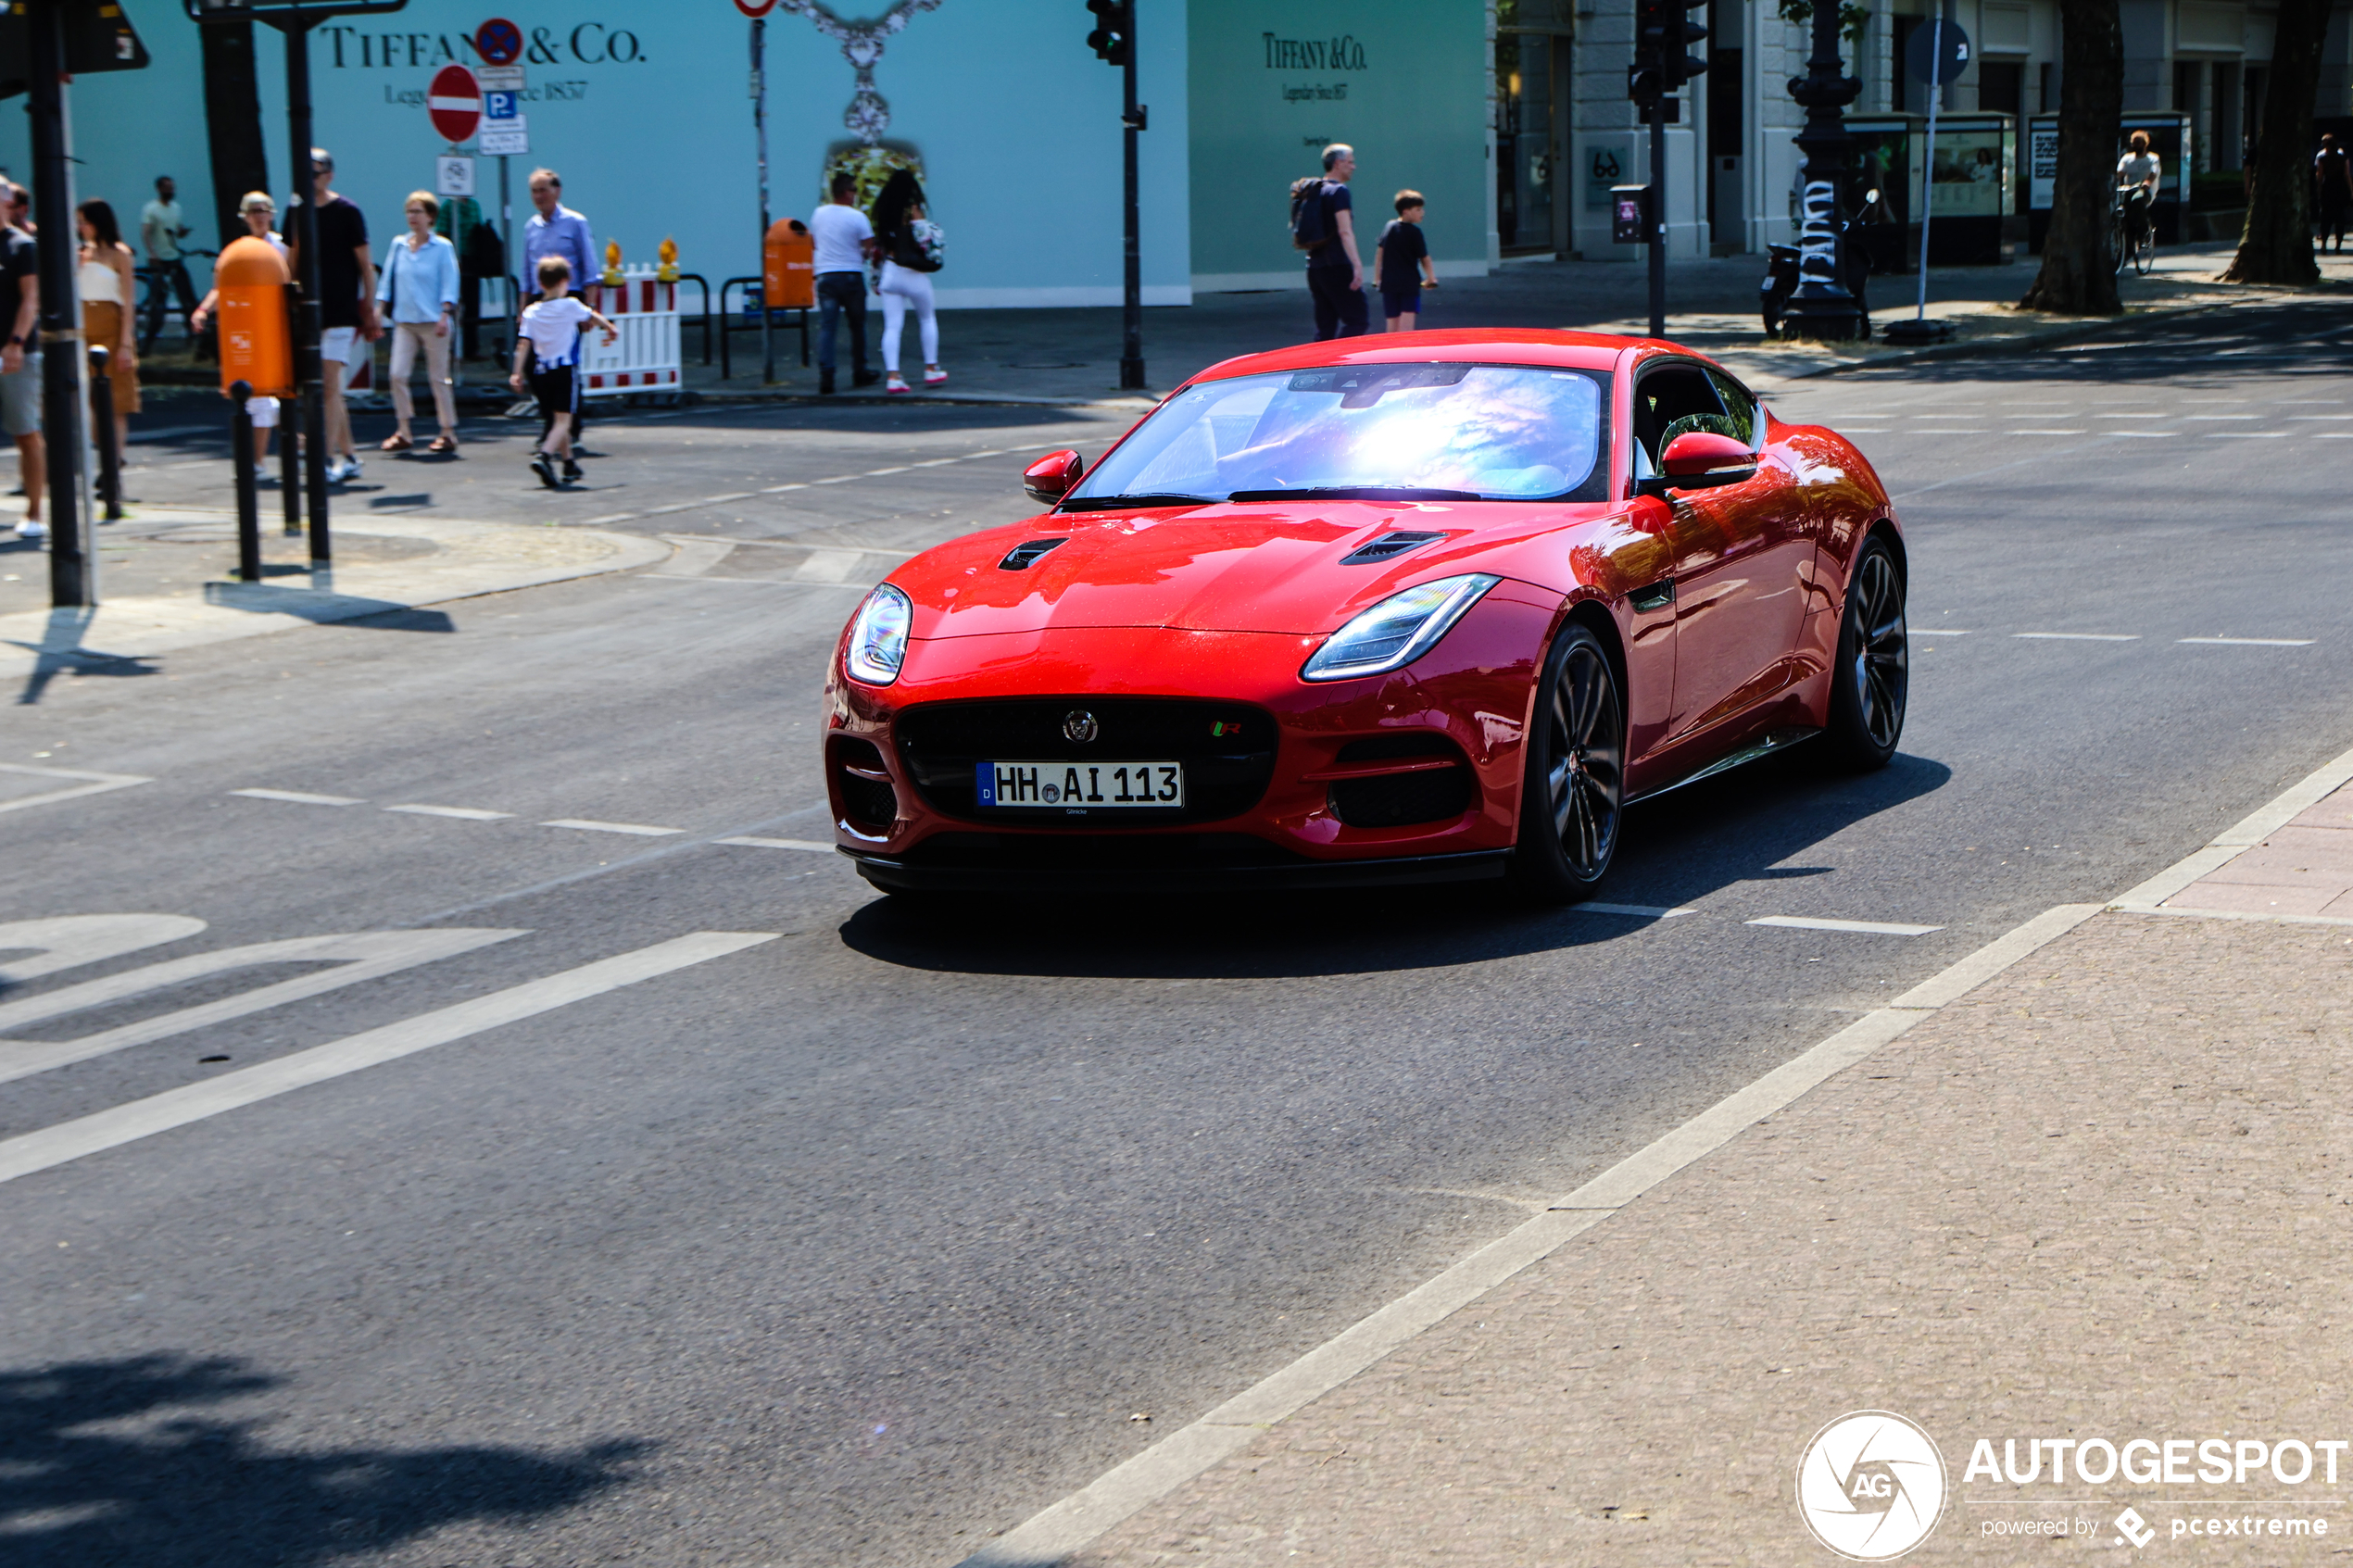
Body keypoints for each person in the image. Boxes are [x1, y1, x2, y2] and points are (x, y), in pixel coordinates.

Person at [287, 148, 378, 484]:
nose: (311, 179)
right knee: (330, 390)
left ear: (330, 175)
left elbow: (364, 266)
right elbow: (292, 258)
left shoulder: (347, 211)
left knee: (326, 386)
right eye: (305, 173)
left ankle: (323, 460)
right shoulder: (296, 210)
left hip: (340, 309)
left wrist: (368, 305)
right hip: (309, 310)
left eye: (316, 172)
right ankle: (350, 456)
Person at [190, 192, 287, 470]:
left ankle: (260, 461)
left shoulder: (282, 248)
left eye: (264, 210)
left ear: (272, 214)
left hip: (274, 332)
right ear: (244, 217)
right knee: (260, 399)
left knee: (269, 397)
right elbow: (222, 289)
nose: (259, 215)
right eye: (253, 211)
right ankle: (260, 461)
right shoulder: (236, 252)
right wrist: (202, 310)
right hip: (246, 332)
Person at [509, 255, 616, 490]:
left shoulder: (531, 312)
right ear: (564, 281)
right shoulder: (570, 305)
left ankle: (569, 463)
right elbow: (592, 315)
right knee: (564, 420)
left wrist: (516, 373)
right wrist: (609, 327)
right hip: (564, 369)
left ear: (541, 283)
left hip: (540, 371)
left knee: (557, 418)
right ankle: (544, 456)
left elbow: (523, 344)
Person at [376, 190, 461, 455]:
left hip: (434, 321)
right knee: (397, 374)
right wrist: (379, 310)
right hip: (405, 321)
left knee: (438, 378)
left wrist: (445, 314)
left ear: (430, 217)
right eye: (409, 212)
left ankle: (447, 431)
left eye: (418, 212)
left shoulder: (442, 247)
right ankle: (404, 430)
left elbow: (450, 282)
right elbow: (387, 279)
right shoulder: (399, 245)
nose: (412, 217)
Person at [522, 169, 596, 446]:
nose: (539, 196)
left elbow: (589, 267)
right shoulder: (531, 227)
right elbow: (526, 273)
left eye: (544, 190)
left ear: (557, 191)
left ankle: (569, 427)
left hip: (569, 298)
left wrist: (589, 306)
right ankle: (552, 421)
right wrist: (522, 309)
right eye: (534, 191)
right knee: (534, 366)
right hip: (539, 301)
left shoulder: (575, 223)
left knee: (565, 367)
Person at [870, 169, 945, 394]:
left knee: (892, 326)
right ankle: (931, 368)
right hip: (913, 273)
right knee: (926, 318)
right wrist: (923, 222)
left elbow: (877, 249)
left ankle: (893, 376)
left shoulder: (883, 211)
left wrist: (875, 279)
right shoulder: (912, 208)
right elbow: (925, 238)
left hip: (890, 272)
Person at [76, 199, 139, 461]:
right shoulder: (81, 254)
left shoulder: (119, 254)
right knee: (88, 400)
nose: (80, 228)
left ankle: (115, 459)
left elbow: (127, 300)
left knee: (115, 402)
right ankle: (106, 454)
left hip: (112, 329)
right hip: (83, 329)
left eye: (84, 222)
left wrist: (125, 344)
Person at [810, 172, 879, 395]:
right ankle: (860, 371)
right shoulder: (858, 217)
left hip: (826, 277)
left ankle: (826, 376)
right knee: (857, 326)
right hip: (851, 275)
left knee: (828, 326)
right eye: (854, 191)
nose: (856, 195)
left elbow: (814, 242)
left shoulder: (818, 214)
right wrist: (861, 253)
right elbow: (868, 249)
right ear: (847, 192)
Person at [2, 182, 43, 542]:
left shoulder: (21, 246)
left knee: (25, 432)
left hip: (16, 353)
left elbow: (30, 300)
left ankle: (35, 512)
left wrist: (16, 342)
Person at [1302, 143, 1368, 341]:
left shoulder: (1314, 190)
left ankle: (1317, 369)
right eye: (1350, 162)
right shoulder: (1339, 192)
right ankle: (1340, 367)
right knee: (1357, 321)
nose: (1354, 166)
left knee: (1325, 327)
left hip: (1315, 267)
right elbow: (1344, 231)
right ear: (1338, 163)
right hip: (1337, 265)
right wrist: (1356, 264)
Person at [138, 174, 198, 351]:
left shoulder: (176, 208)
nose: (171, 191)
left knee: (188, 299)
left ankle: (192, 338)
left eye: (172, 188)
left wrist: (183, 232)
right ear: (159, 189)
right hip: (160, 261)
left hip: (174, 258)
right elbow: (146, 232)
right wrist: (151, 253)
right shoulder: (151, 209)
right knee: (159, 302)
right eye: (167, 188)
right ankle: (148, 344)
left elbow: (177, 230)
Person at [1374, 189, 1438, 332]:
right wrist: (1431, 278)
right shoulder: (1415, 233)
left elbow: (1380, 253)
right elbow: (1424, 258)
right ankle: (1404, 352)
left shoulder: (1388, 227)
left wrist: (1377, 277)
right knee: (1406, 328)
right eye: (1418, 209)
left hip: (1389, 283)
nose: (1422, 212)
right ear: (1406, 211)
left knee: (1391, 326)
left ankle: (1390, 352)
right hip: (1409, 285)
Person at [2114, 131, 2161, 252]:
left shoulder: (2152, 159)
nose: (2136, 146)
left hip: (2144, 191)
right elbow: (2119, 173)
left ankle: (2143, 233)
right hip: (2128, 190)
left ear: (2145, 144)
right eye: (2134, 143)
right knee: (2121, 210)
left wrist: (2147, 183)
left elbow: (2154, 172)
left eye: (2139, 143)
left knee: (2137, 200)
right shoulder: (2127, 159)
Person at [2315, 133, 2353, 253]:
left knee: (2325, 218)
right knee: (2340, 218)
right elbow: (2347, 175)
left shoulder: (2322, 159)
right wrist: (2351, 190)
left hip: (2328, 188)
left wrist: (2319, 188)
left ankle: (2324, 244)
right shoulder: (2343, 158)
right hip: (2340, 188)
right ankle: (2338, 246)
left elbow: (2320, 176)